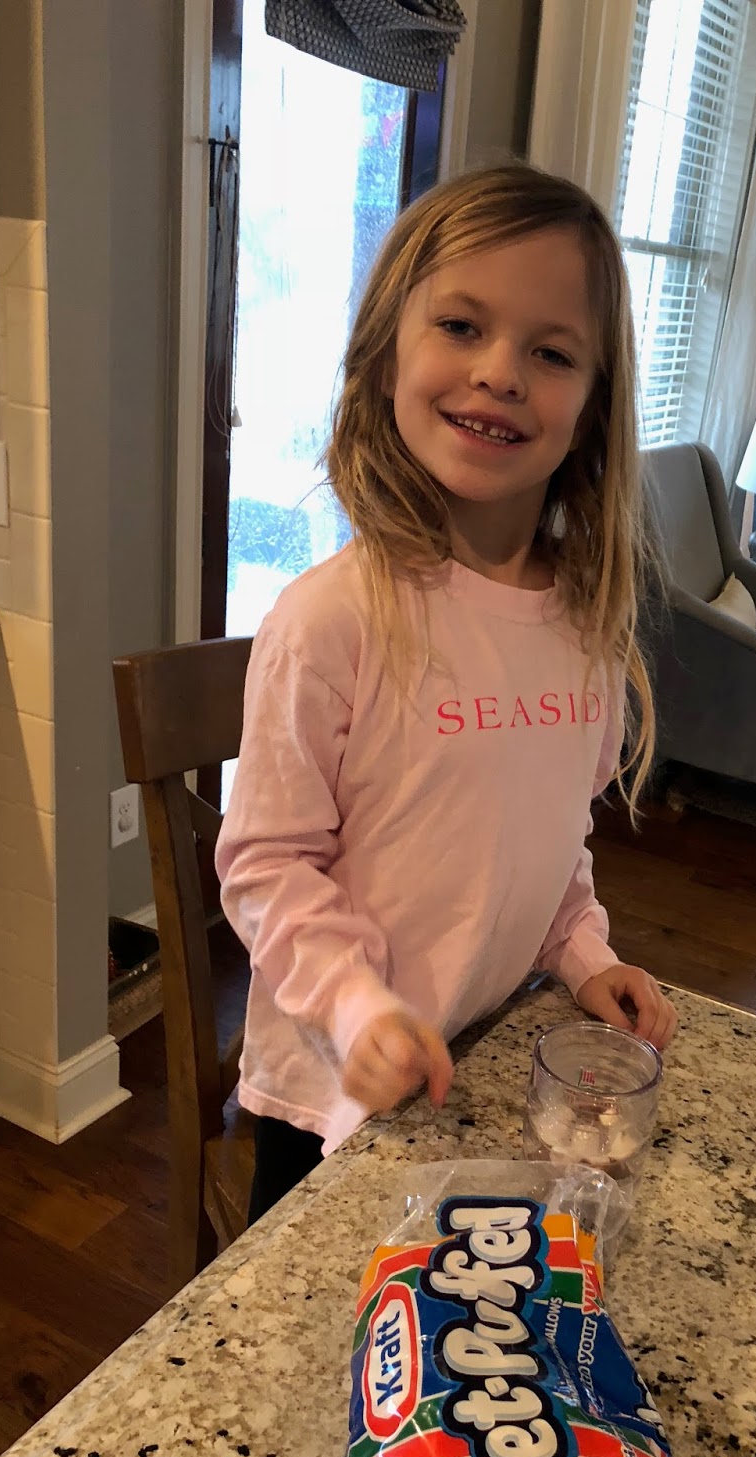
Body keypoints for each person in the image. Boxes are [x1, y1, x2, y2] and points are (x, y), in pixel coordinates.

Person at [215, 164, 678, 1223]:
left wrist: (586, 954)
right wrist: (356, 1004)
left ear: (592, 409)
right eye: (462, 326)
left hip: (478, 1067)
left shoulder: (584, 630)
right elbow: (266, 865)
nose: (500, 372)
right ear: (389, 355)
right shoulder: (331, 621)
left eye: (552, 352)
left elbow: (549, 842)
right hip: (333, 1096)